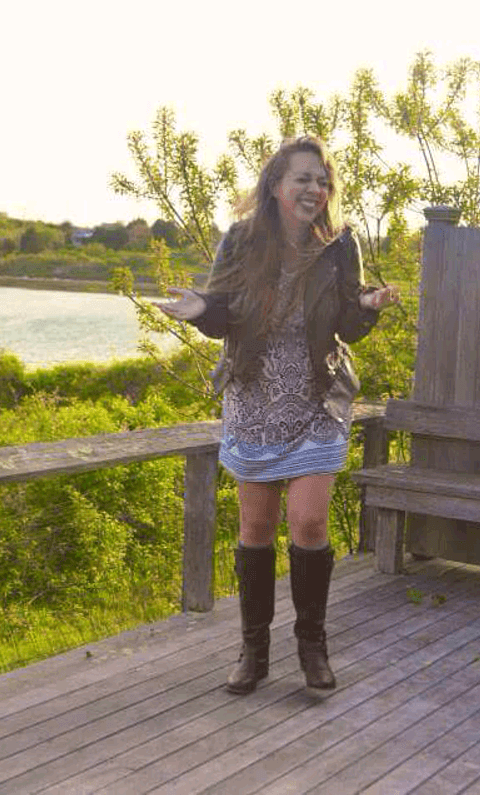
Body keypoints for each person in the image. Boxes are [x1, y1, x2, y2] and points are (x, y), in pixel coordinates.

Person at [157, 136, 399, 694]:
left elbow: (345, 322)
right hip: (255, 397)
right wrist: (201, 309)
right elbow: (222, 313)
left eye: (323, 181)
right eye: (303, 179)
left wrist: (366, 307)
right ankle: (254, 650)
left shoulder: (339, 243)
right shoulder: (243, 240)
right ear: (276, 185)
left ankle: (312, 647)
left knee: (309, 522)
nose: (316, 189)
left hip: (316, 396)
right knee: (257, 528)